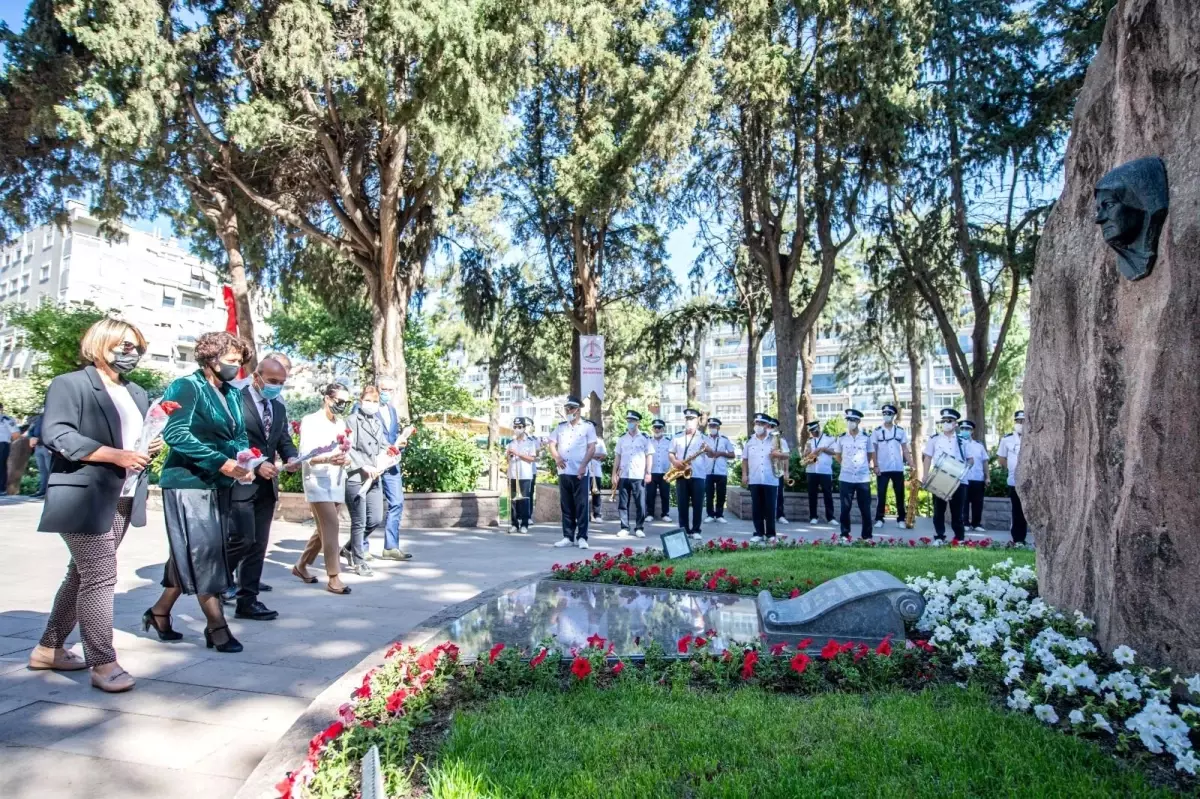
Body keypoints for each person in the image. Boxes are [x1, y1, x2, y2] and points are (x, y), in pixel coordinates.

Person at [31, 317, 161, 692]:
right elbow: (57, 433)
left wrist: (143, 448)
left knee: (81, 574)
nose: (129, 352)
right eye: (122, 345)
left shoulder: (136, 392)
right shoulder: (70, 384)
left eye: (135, 346)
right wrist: (115, 455)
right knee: (101, 576)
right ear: (99, 343)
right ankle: (102, 662)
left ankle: (49, 648)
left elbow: (133, 438)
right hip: (82, 494)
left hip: (122, 496)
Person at [149, 330, 253, 654]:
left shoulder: (233, 393)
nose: (237, 367)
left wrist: (246, 461)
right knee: (205, 552)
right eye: (232, 360)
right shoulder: (186, 386)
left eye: (240, 361)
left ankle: (159, 612)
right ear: (211, 357)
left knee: (195, 551)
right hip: (187, 483)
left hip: (220, 484)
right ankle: (217, 627)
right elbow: (175, 433)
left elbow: (239, 436)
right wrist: (221, 462)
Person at [227, 355, 300, 621]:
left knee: (258, 544)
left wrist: (292, 457)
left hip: (267, 487)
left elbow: (283, 439)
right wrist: (256, 464)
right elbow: (230, 440)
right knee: (241, 539)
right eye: (272, 381)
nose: (276, 386)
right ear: (256, 376)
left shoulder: (277, 406)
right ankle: (217, 581)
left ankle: (248, 600)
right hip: (240, 483)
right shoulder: (235, 399)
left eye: (281, 382)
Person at [294, 383, 354, 594]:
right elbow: (306, 454)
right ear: (328, 399)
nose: (343, 406)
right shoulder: (310, 421)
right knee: (331, 525)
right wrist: (328, 458)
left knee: (323, 530)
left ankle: (301, 565)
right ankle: (334, 577)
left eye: (347, 403)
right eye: (340, 402)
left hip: (336, 479)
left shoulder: (341, 423)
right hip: (317, 481)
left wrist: (345, 460)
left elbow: (347, 451)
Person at [341, 385, 387, 576]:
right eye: (368, 400)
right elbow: (347, 448)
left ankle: (349, 548)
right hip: (356, 475)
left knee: (375, 518)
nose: (372, 404)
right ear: (360, 401)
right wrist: (362, 466)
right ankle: (359, 561)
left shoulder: (377, 421)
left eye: (375, 401)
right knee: (358, 521)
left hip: (375, 475)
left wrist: (391, 452)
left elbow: (383, 446)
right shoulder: (351, 421)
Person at [548, 395, 596, 549]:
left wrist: (583, 465)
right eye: (567, 408)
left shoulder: (587, 426)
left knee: (581, 505)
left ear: (578, 410)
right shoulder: (560, 427)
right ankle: (568, 536)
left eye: (572, 408)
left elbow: (591, 448)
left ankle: (582, 537)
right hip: (564, 472)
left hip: (580, 471)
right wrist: (557, 458)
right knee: (566, 505)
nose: (569, 410)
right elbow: (551, 444)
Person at [375, 377, 414, 561]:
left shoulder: (392, 410)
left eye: (390, 390)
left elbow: (393, 435)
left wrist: (401, 442)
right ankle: (359, 548)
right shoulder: (364, 408)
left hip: (392, 464)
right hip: (374, 463)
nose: (386, 393)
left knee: (397, 502)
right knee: (370, 510)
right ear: (377, 388)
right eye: (384, 389)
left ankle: (391, 547)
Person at [922, 407, 973, 543]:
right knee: (939, 511)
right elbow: (927, 457)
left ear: (955, 423)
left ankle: (959, 538)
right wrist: (925, 475)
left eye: (949, 420)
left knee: (958, 512)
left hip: (959, 480)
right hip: (940, 478)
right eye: (943, 421)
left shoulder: (963, 440)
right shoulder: (935, 439)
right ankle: (939, 536)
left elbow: (970, 459)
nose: (945, 423)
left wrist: (964, 469)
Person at [833, 408, 875, 541]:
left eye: (853, 420)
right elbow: (838, 456)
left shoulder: (866, 437)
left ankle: (867, 536)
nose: (850, 422)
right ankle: (844, 535)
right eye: (848, 420)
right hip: (846, 477)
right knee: (845, 508)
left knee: (865, 509)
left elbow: (869, 454)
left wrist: (863, 466)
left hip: (863, 477)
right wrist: (846, 465)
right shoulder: (842, 438)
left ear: (858, 421)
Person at [669, 408, 710, 541]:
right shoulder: (677, 437)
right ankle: (684, 529)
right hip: (681, 474)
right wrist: (675, 461)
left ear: (698, 420)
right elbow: (671, 453)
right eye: (687, 419)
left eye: (692, 419)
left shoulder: (704, 437)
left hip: (698, 475)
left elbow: (711, 454)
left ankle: (696, 530)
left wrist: (708, 449)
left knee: (698, 504)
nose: (689, 421)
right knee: (682, 504)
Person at [870, 404, 912, 529]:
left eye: (889, 413)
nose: (886, 416)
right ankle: (879, 518)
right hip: (882, 468)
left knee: (900, 494)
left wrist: (911, 463)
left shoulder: (900, 431)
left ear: (893, 415)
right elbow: (874, 450)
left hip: (897, 467)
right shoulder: (877, 431)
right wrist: (875, 465)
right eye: (884, 413)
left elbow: (905, 449)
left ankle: (901, 519)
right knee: (881, 494)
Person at [742, 413, 780, 543]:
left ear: (767, 425)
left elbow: (786, 455)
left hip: (770, 478)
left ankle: (770, 534)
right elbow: (745, 460)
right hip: (755, 479)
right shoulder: (750, 441)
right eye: (756, 423)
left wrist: (778, 454)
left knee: (770, 508)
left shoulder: (775, 439)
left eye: (761, 423)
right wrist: (744, 474)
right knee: (757, 507)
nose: (758, 426)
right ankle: (758, 532)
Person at [612, 410, 651, 538]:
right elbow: (617, 456)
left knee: (640, 503)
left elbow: (649, 456)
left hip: (638, 475)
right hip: (624, 474)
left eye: (632, 421)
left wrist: (648, 473)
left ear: (638, 422)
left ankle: (639, 527)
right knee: (623, 503)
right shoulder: (622, 439)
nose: (630, 423)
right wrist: (614, 473)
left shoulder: (645, 438)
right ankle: (624, 527)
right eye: (628, 421)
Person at [997, 410, 1027, 545]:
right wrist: (1011, 468)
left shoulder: (1034, 437)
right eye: (1018, 421)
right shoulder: (1007, 439)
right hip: (1014, 481)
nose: (1021, 424)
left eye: (1023, 421)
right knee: (1017, 510)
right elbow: (1001, 458)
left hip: (1030, 481)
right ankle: (1018, 539)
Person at [505, 417, 537, 534]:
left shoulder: (530, 443)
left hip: (525, 475)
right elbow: (507, 459)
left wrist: (518, 454)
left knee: (524, 500)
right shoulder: (511, 443)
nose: (517, 429)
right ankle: (514, 524)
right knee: (513, 500)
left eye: (519, 427)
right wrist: (509, 455)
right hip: (512, 474)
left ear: (524, 428)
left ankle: (524, 524)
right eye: (515, 427)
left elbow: (532, 459)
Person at [959, 419, 989, 532]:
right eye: (962, 428)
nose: (964, 431)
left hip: (977, 478)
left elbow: (985, 462)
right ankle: (965, 522)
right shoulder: (957, 443)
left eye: (967, 429)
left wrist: (987, 477)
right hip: (963, 478)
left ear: (972, 431)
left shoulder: (979, 446)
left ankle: (976, 523)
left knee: (978, 502)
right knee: (964, 502)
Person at [803, 420, 836, 525]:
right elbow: (805, 456)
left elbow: (834, 452)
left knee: (828, 494)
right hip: (811, 470)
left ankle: (830, 518)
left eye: (814, 430)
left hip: (825, 471)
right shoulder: (809, 441)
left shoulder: (829, 438)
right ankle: (813, 517)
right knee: (812, 494)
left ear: (818, 428)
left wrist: (822, 449)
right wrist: (807, 453)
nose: (813, 433)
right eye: (811, 431)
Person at [703, 418, 735, 524]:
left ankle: (720, 514)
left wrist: (721, 453)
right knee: (709, 494)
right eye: (710, 426)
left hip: (721, 471)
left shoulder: (724, 440)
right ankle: (710, 514)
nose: (712, 428)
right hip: (708, 471)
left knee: (721, 494)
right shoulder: (704, 439)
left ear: (718, 427)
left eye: (714, 426)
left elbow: (732, 454)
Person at [646, 418, 672, 520]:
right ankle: (650, 514)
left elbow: (673, 455)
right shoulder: (648, 441)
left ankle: (665, 514)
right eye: (655, 428)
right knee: (650, 494)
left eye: (659, 428)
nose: (657, 430)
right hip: (651, 472)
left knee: (665, 494)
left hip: (665, 472)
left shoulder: (669, 442)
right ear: (652, 429)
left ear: (663, 429)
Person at [766, 417, 790, 524]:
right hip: (765, 470)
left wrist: (786, 471)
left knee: (779, 493)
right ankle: (766, 515)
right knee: (765, 494)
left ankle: (780, 515)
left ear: (776, 427)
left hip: (777, 469)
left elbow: (786, 456)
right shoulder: (763, 440)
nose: (770, 428)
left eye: (773, 427)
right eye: (769, 426)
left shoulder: (781, 441)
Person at [26, 409, 52, 498]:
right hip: (38, 447)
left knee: (50, 470)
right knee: (42, 470)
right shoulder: (39, 418)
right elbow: (30, 430)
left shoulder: (52, 416)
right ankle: (42, 491)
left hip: (48, 447)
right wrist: (31, 437)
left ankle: (49, 493)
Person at [588, 433, 607, 522]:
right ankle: (585, 515)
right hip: (585, 471)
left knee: (596, 493)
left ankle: (597, 515)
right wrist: (593, 456)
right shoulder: (583, 439)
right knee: (583, 494)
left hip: (596, 471)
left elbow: (603, 455)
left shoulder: (599, 441)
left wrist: (591, 455)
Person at [0, 402, 17, 494]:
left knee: (1, 466)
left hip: (2, 444)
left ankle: (2, 488)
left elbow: (15, 433)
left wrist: (11, 444)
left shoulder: (6, 419)